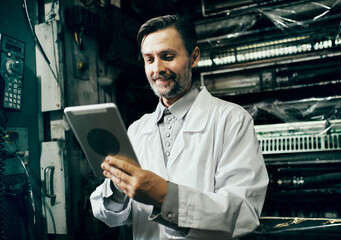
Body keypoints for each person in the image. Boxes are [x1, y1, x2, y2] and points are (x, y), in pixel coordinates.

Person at [90, 14, 268, 240]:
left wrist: (165, 196)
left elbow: (244, 213)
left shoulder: (232, 120)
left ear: (194, 57)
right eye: (149, 59)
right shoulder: (137, 129)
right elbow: (113, 217)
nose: (158, 69)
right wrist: (118, 186)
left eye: (168, 56)